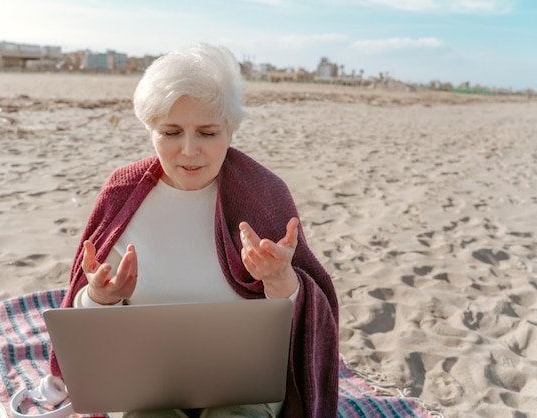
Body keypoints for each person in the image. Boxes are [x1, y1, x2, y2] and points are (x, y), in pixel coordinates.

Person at [49, 43, 339, 418]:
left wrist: (280, 280)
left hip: (244, 388)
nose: (189, 150)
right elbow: (82, 332)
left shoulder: (265, 194)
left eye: (207, 132)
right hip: (145, 386)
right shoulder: (121, 193)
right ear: (150, 129)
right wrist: (100, 297)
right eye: (170, 132)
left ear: (230, 130)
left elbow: (308, 318)